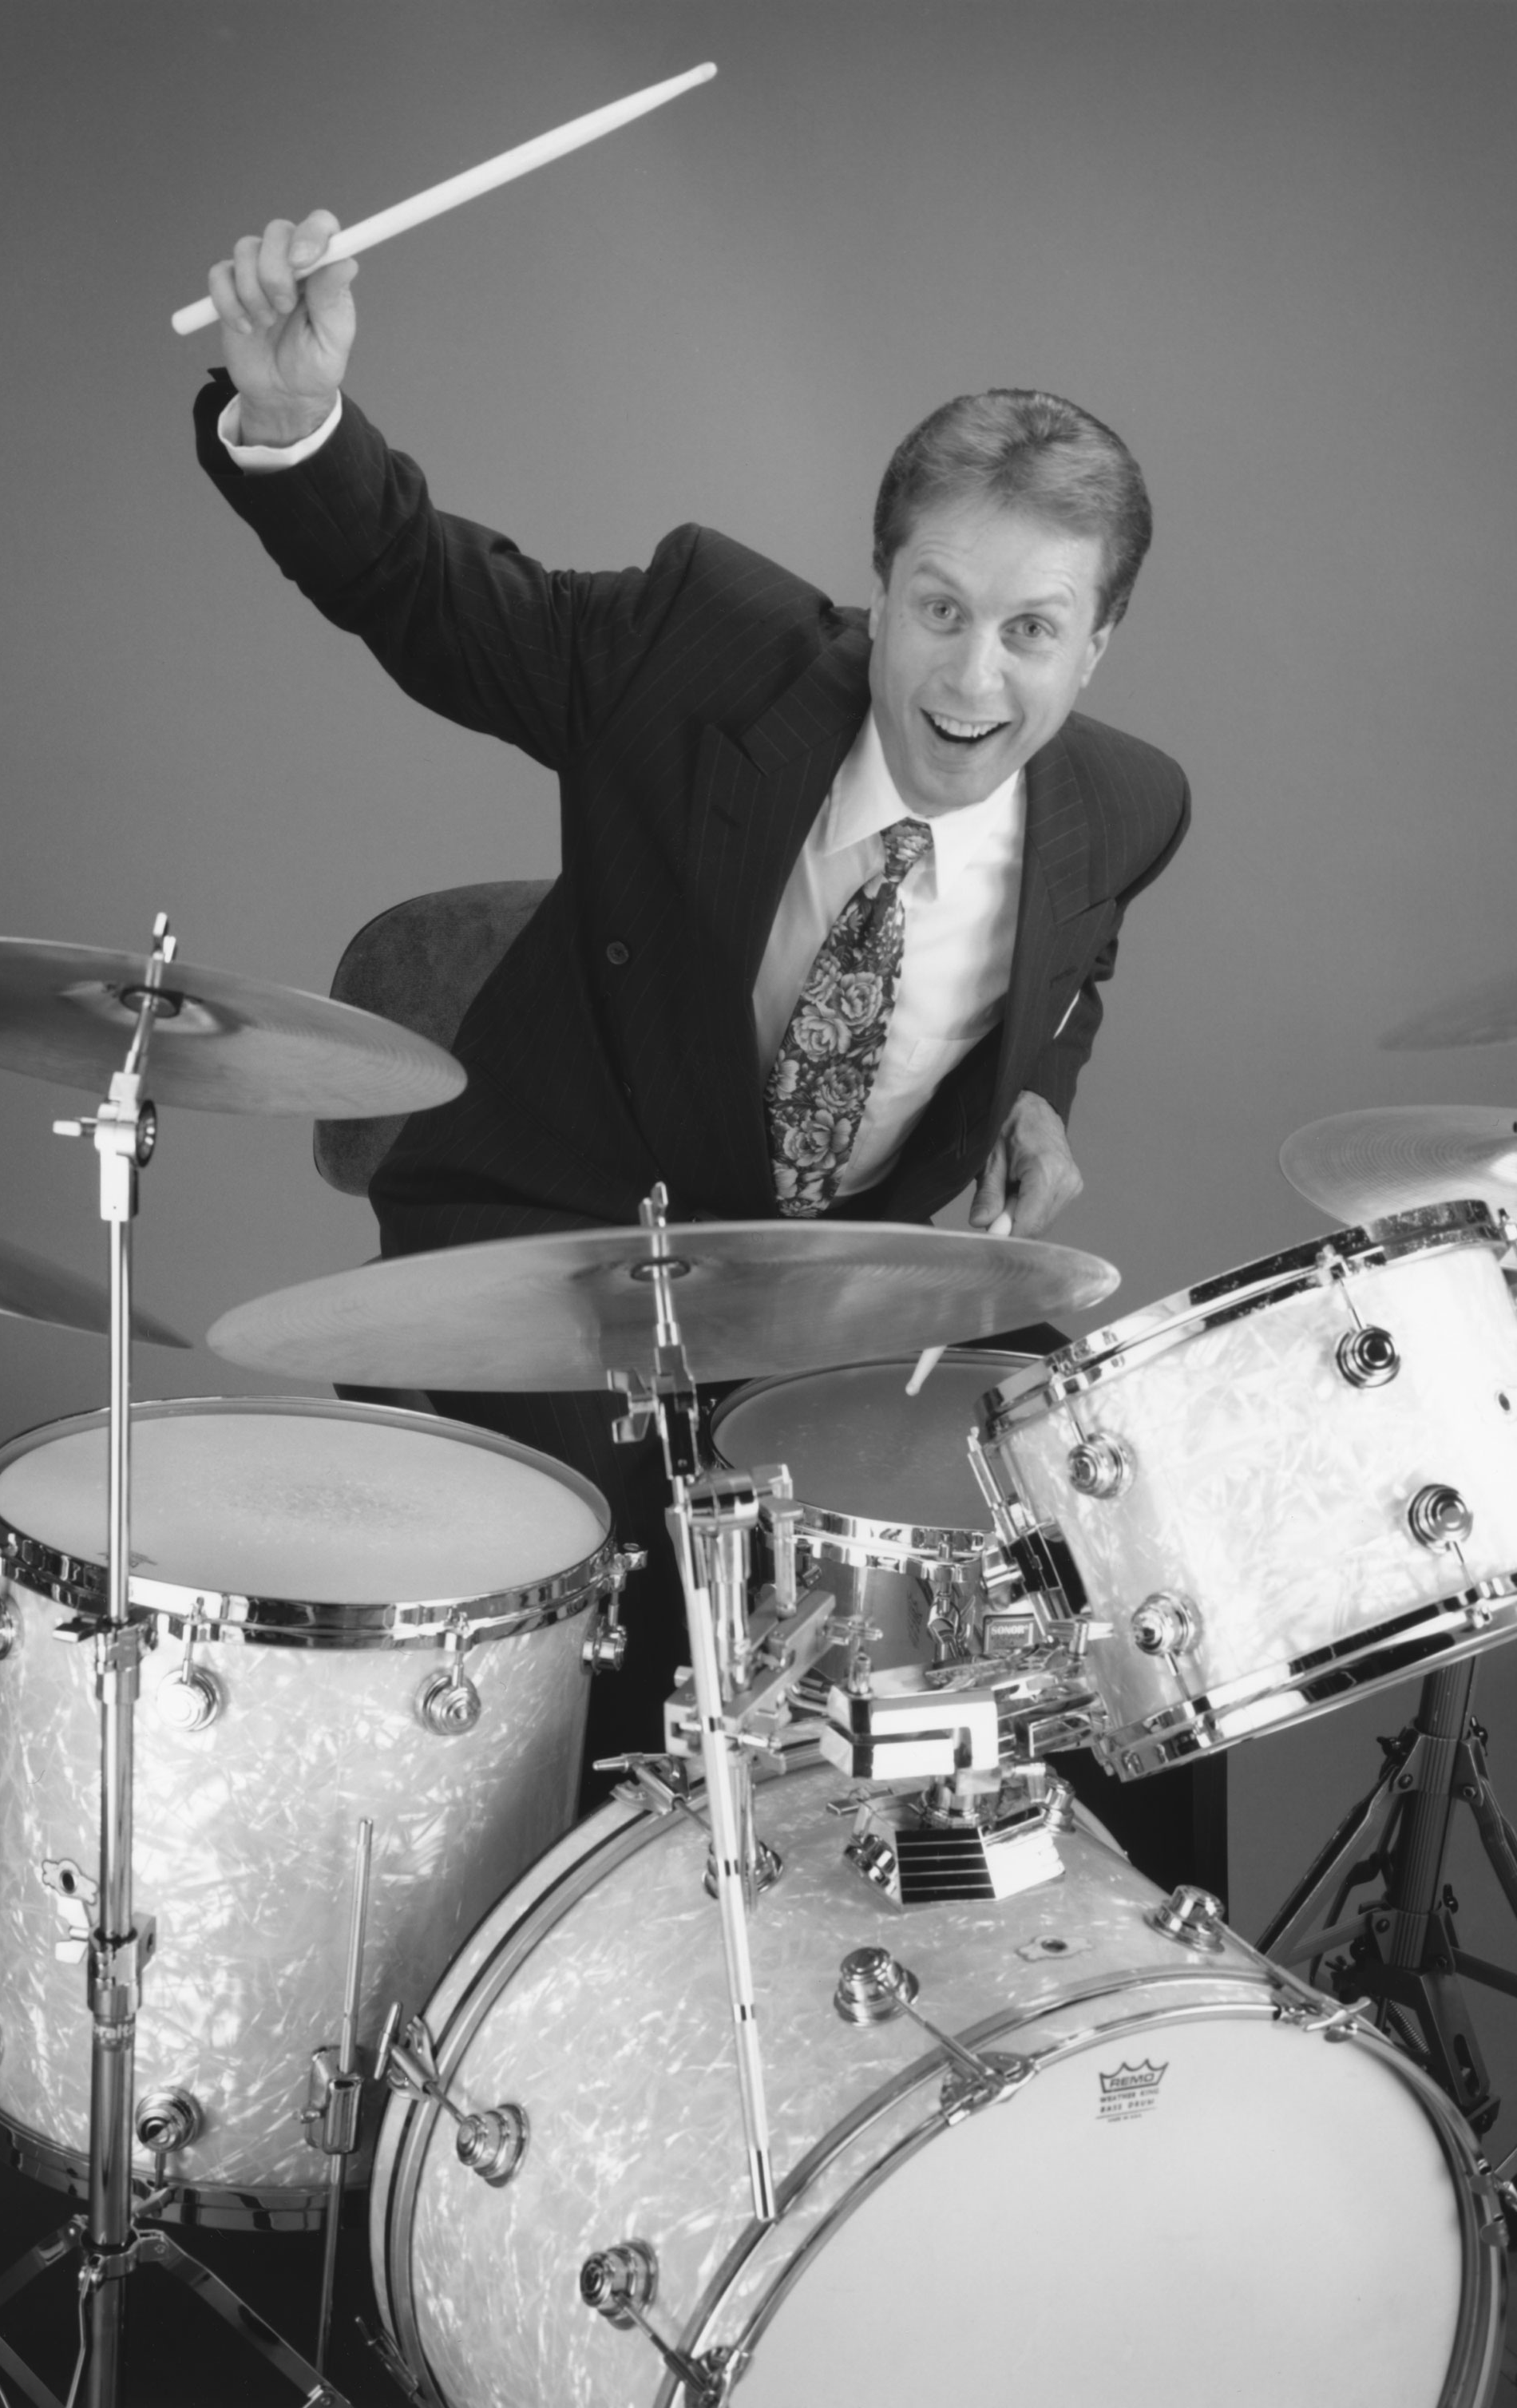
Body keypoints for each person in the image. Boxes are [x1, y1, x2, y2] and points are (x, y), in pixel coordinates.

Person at [195, 212, 1222, 1897]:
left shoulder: (1129, 804)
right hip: (560, 1251)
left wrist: (1040, 1090)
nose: (973, 677)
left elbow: (1075, 965)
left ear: (1096, 643)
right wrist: (299, 420)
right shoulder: (697, 649)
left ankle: (1136, 1985)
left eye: (1033, 631)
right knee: (651, 1598)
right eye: (939, 609)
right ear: (878, 592)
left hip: (831, 1293)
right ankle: (587, 1975)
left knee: (1122, 1545)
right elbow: (433, 597)